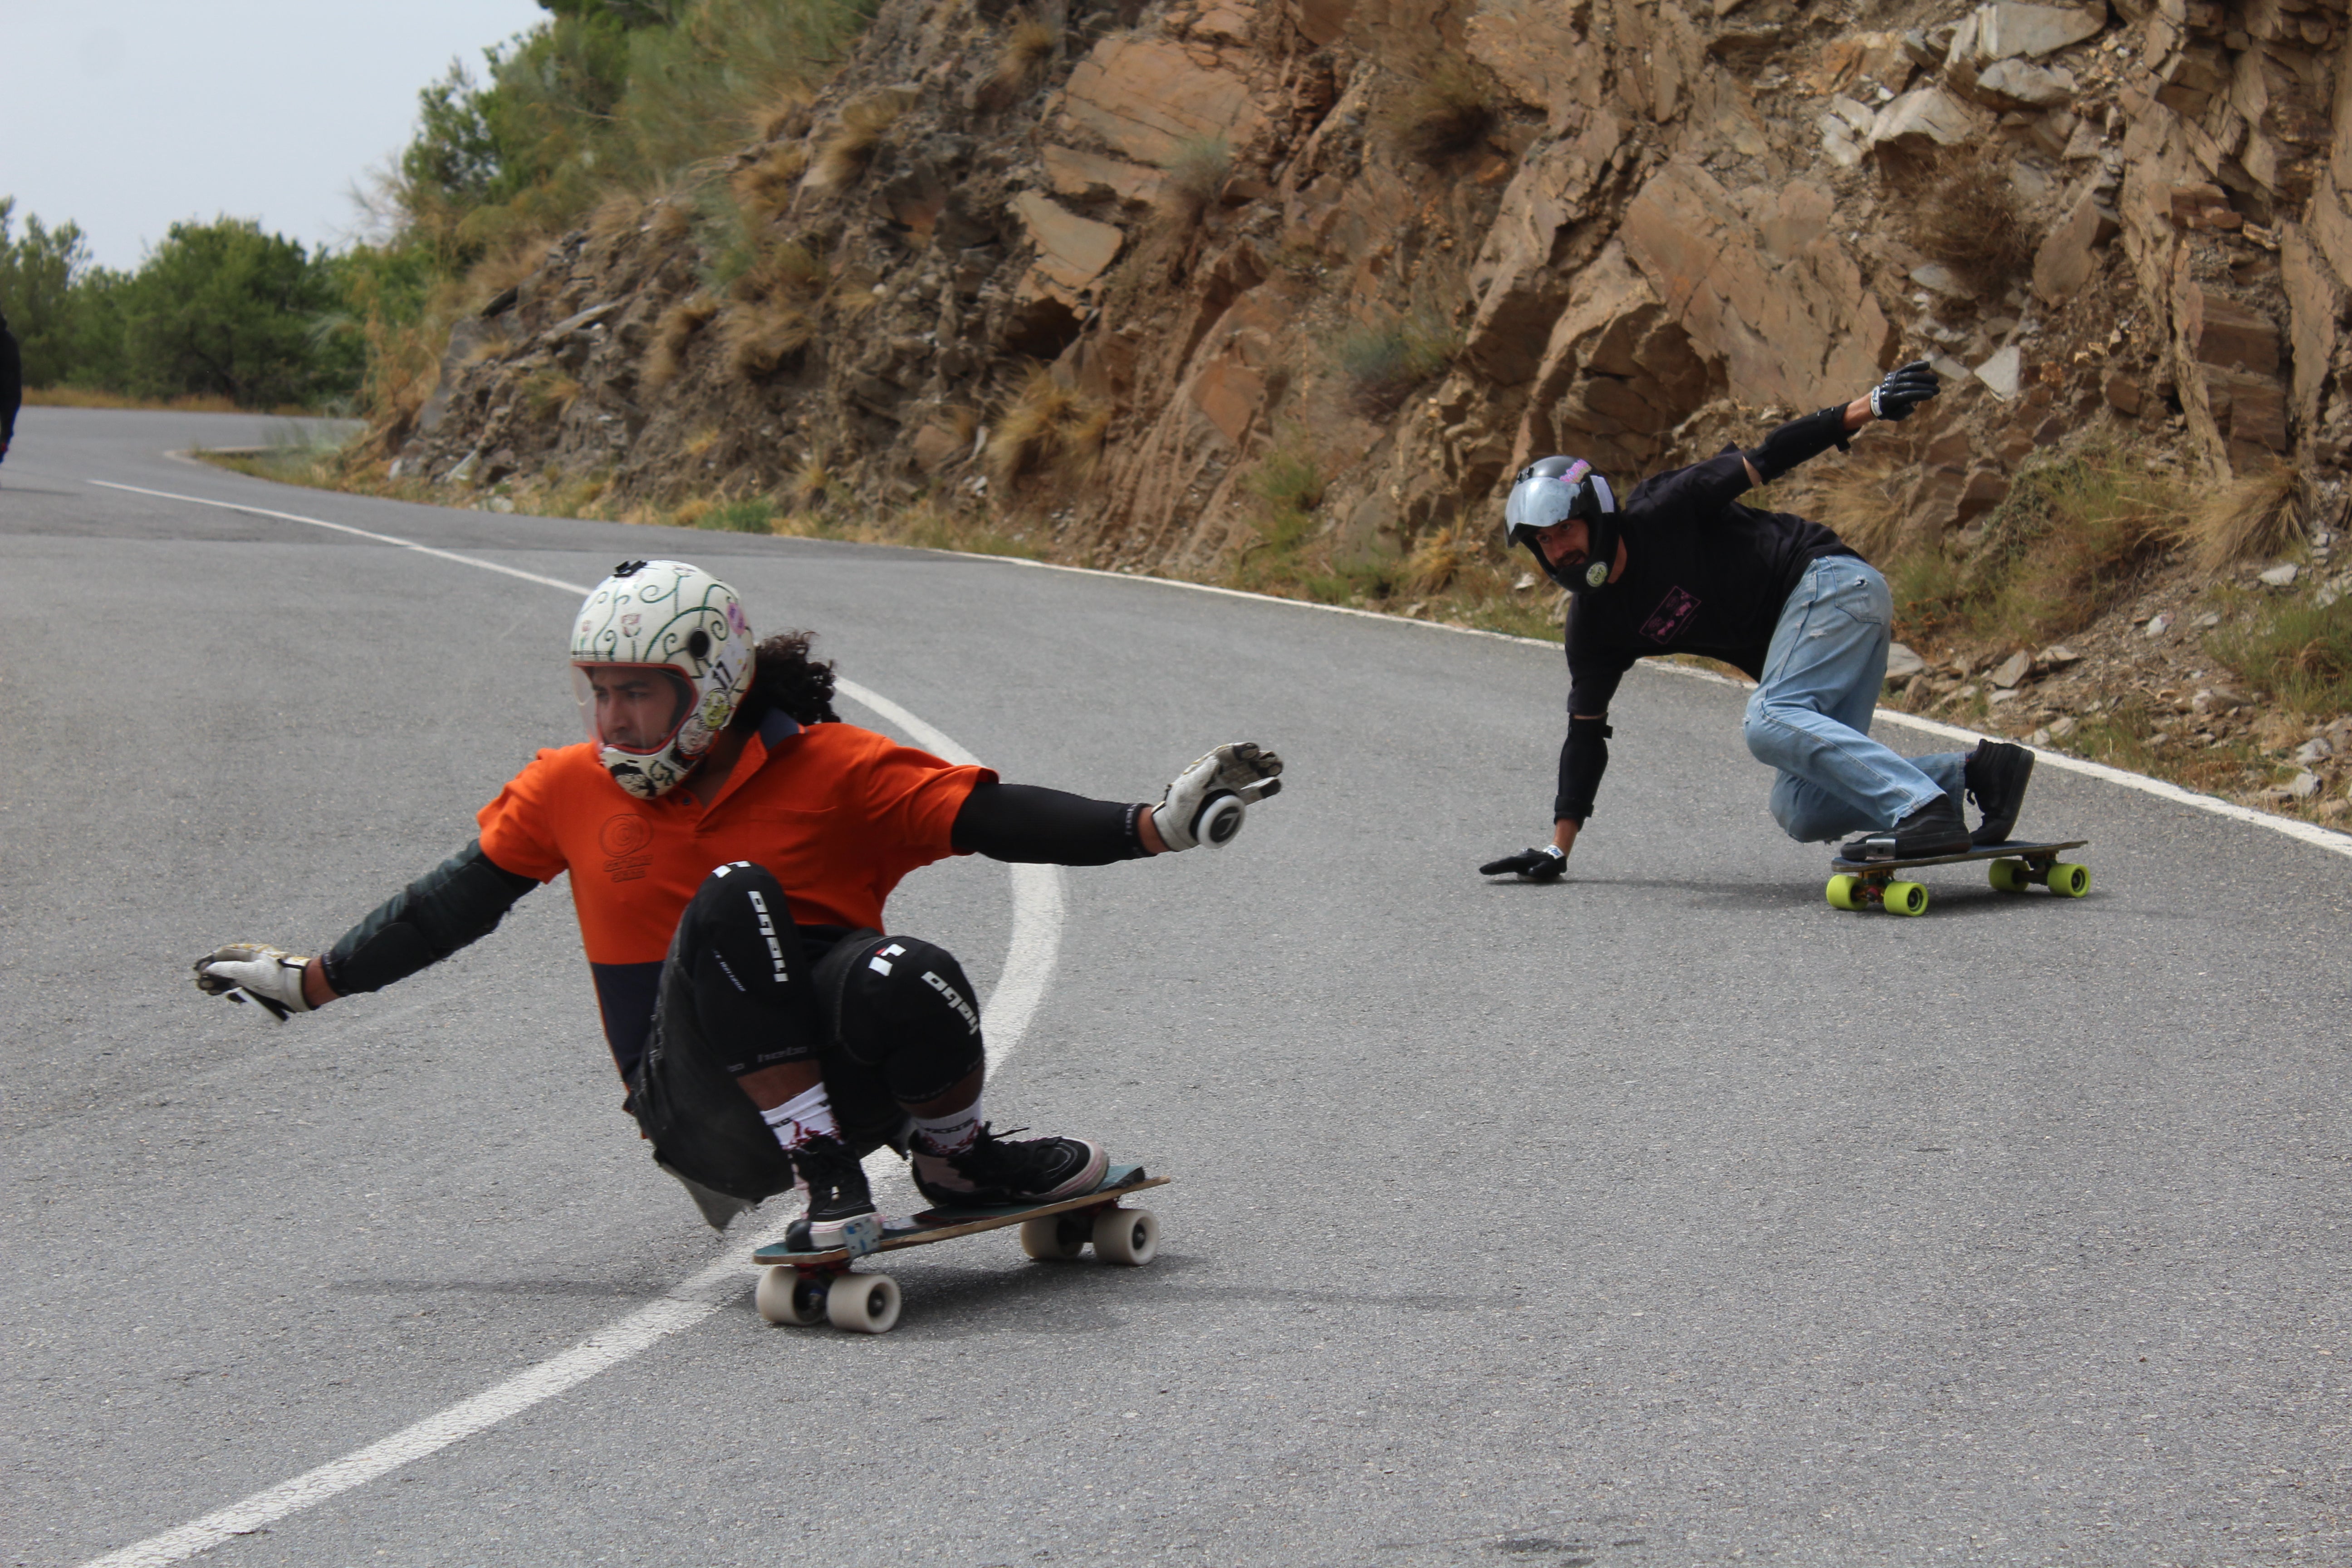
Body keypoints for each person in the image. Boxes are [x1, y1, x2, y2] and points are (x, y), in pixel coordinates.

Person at [192, 559, 1285, 1251]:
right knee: (732, 898)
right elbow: (450, 905)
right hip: (697, 1104)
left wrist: (1157, 822)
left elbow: (995, 818)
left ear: (707, 682)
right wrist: (311, 981)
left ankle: (956, 1156)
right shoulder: (565, 787)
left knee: (913, 970)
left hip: (855, 1093)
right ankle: (824, 1177)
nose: (611, 718)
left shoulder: (834, 770)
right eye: (598, 691)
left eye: (636, 691)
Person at [1478, 361, 2034, 882]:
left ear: (1595, 517)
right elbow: (1584, 735)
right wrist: (1559, 847)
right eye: (1543, 543)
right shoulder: (1595, 625)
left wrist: (1870, 406)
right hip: (1822, 635)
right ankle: (1977, 773)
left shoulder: (1665, 509)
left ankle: (1922, 810)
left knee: (1768, 719)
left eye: (1565, 532)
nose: (1558, 552)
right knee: (1800, 809)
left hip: (1830, 584)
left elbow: (1772, 455)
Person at [0, 309, 21, 466]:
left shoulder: (9, 343)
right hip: (9, 397)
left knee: (5, 431)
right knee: (5, 430)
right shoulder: (10, 342)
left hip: (8, 395)